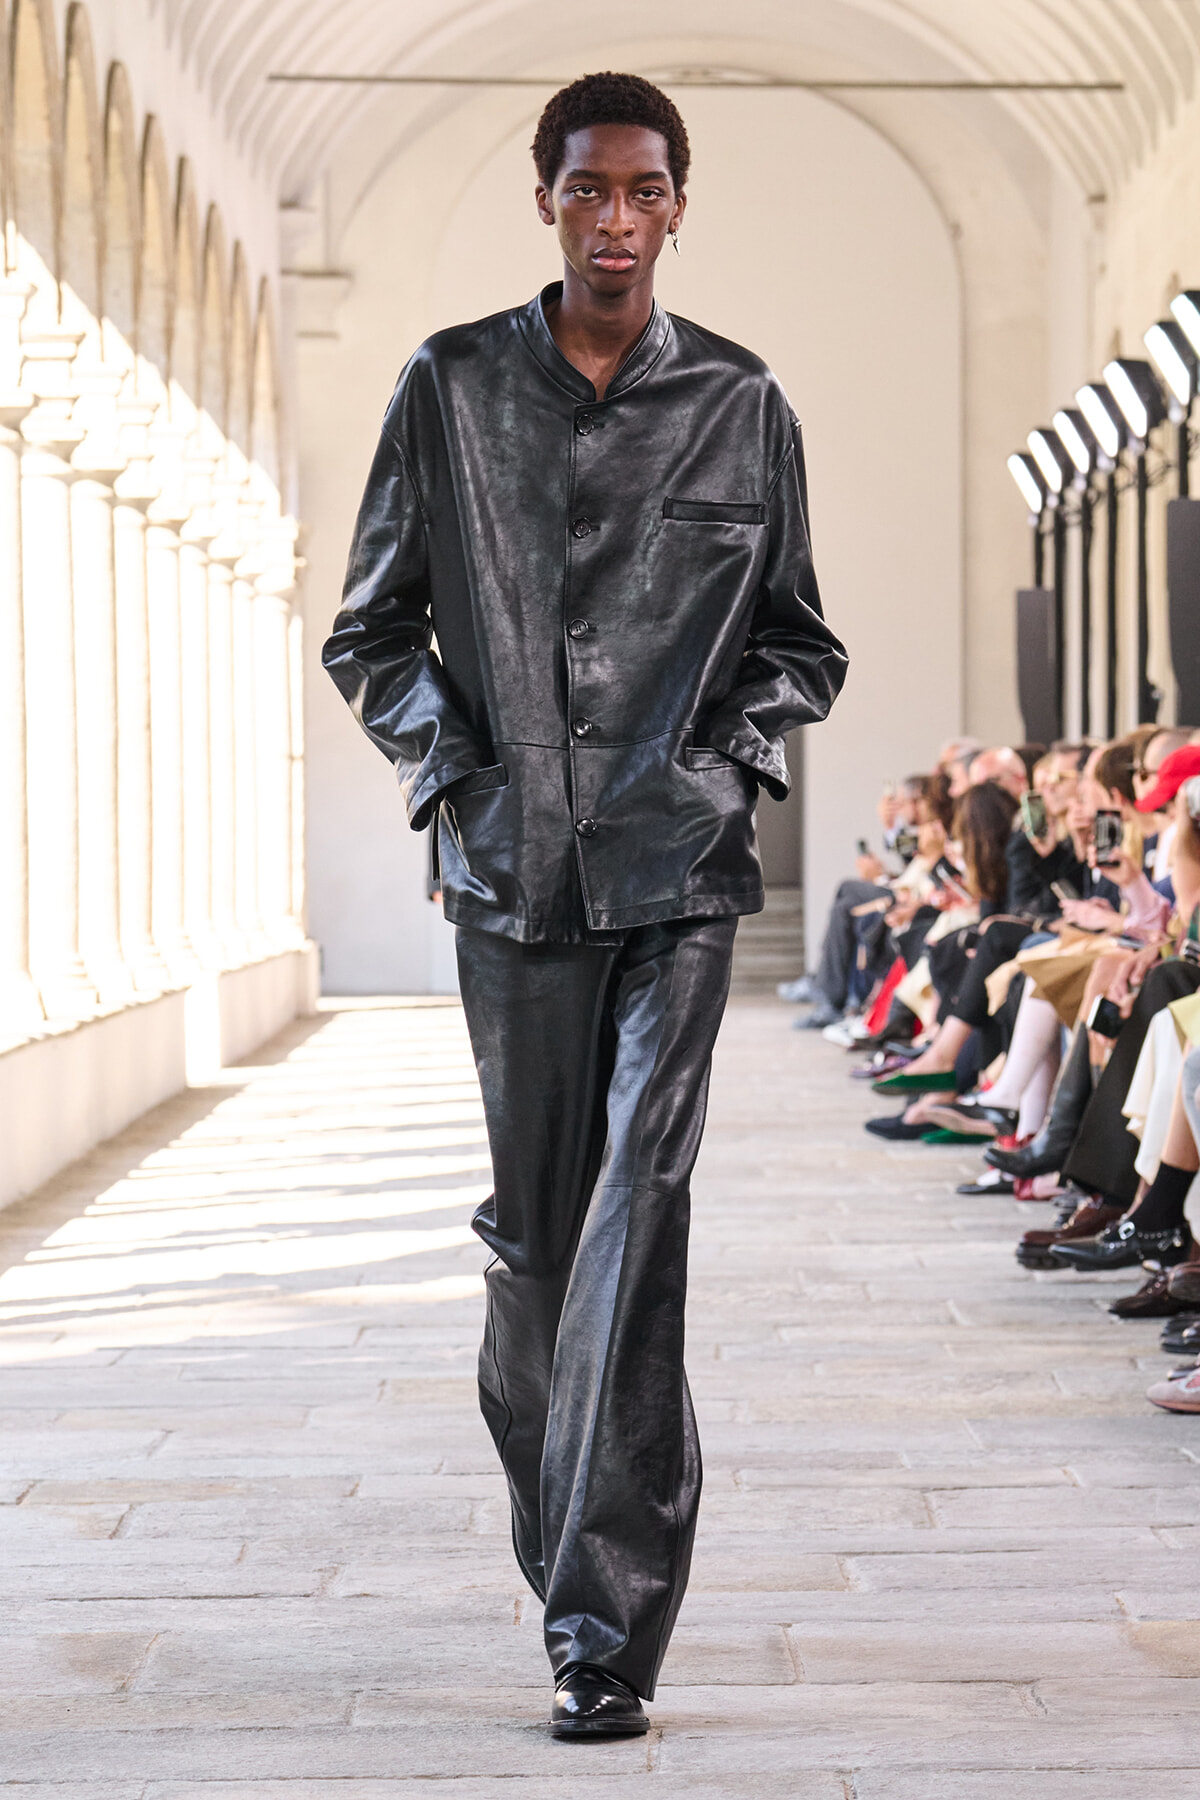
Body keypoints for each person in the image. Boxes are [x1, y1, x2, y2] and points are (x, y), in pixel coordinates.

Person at [322, 72, 847, 1739]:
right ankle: (571, 1552)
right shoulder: (452, 388)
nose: (614, 216)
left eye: (643, 190)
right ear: (545, 203)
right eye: (586, 190)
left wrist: (721, 771)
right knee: (539, 1245)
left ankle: (603, 1630)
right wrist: (456, 778)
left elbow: (798, 645)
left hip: (678, 878)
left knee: (638, 1212)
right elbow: (371, 634)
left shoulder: (744, 403)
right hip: (508, 876)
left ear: (681, 205)